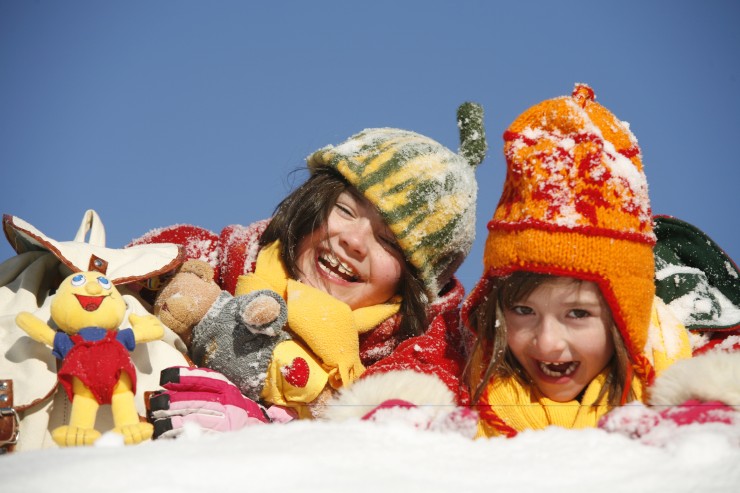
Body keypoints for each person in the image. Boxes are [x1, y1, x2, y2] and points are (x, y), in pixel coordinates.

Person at [130, 102, 487, 432]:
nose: (354, 241)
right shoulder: (212, 262)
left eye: (389, 242)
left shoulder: (415, 364)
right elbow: (96, 284)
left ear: (414, 282)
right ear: (312, 204)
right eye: (346, 210)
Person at [460, 83, 697, 438]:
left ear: (625, 318)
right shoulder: (461, 388)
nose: (548, 343)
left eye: (578, 313)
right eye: (523, 311)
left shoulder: (701, 399)